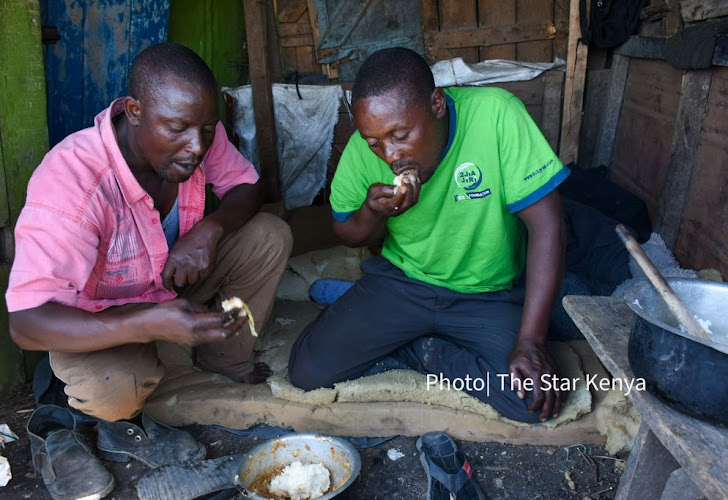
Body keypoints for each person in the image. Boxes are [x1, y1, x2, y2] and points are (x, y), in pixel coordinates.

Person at [6, 43, 291, 499]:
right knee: (116, 387)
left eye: (207, 129)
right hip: (106, 318)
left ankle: (224, 358)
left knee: (268, 236)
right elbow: (26, 322)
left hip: (174, 284)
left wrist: (209, 230)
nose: (197, 146)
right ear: (134, 111)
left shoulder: (195, 130)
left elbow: (247, 185)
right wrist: (148, 323)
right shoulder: (73, 180)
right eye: (178, 129)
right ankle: (80, 418)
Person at [288, 47, 569, 425]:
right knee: (307, 372)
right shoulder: (363, 148)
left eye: (400, 135)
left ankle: (423, 350)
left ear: (436, 103)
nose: (389, 153)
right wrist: (373, 213)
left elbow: (548, 223)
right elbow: (346, 233)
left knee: (533, 398)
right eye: (375, 142)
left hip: (487, 293)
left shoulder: (496, 114)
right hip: (403, 284)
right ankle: (410, 337)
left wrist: (532, 341)